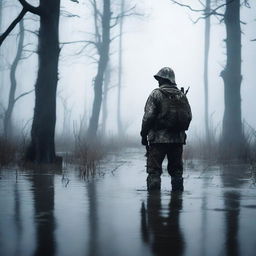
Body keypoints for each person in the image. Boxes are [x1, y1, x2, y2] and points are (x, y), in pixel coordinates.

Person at [140, 67, 192, 191]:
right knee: (177, 172)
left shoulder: (156, 94)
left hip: (158, 140)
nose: (158, 81)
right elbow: (189, 117)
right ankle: (177, 202)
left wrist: (143, 135)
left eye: (160, 79)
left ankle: (153, 203)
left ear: (163, 80)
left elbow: (148, 117)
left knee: (154, 172)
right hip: (177, 140)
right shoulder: (181, 95)